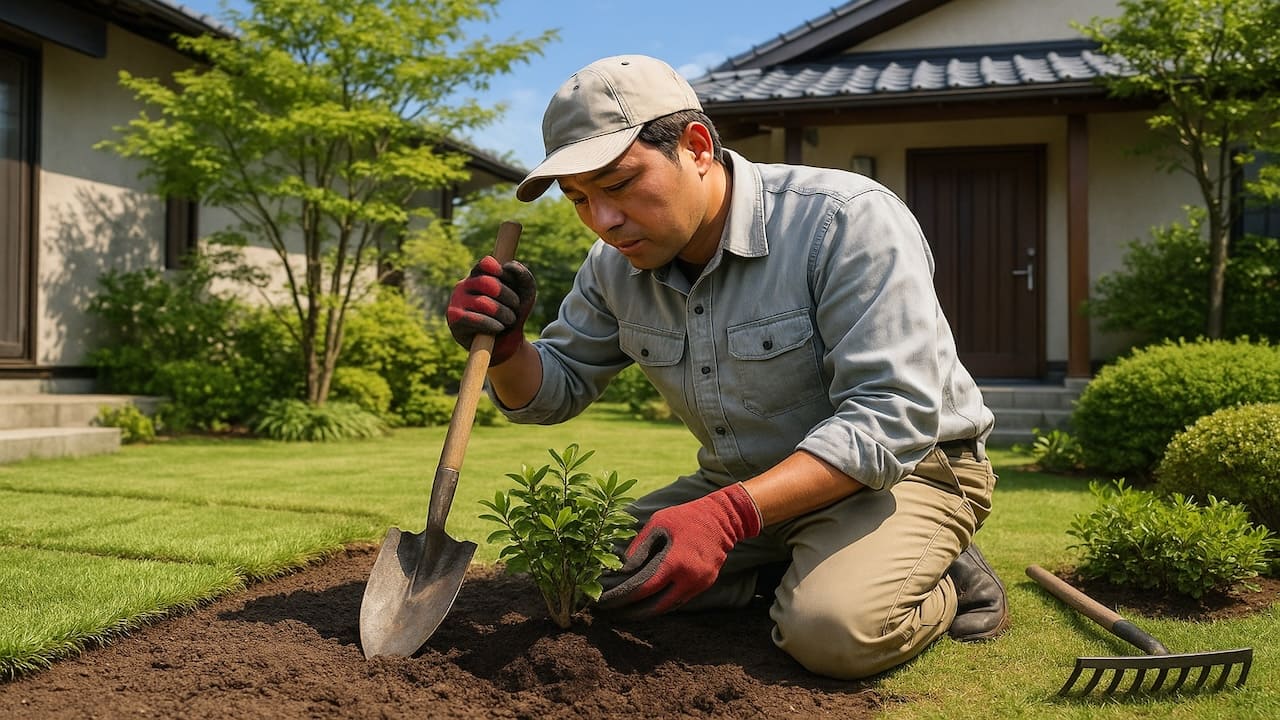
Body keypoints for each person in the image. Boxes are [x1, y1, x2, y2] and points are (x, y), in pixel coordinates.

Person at [446, 54, 1007, 680]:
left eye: (619, 184)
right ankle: (785, 570)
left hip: (903, 473)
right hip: (744, 481)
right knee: (573, 573)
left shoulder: (844, 219)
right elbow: (553, 391)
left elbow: (891, 414)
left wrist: (726, 516)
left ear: (696, 147)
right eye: (579, 199)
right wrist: (507, 348)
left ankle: (941, 575)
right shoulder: (613, 268)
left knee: (830, 632)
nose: (603, 221)